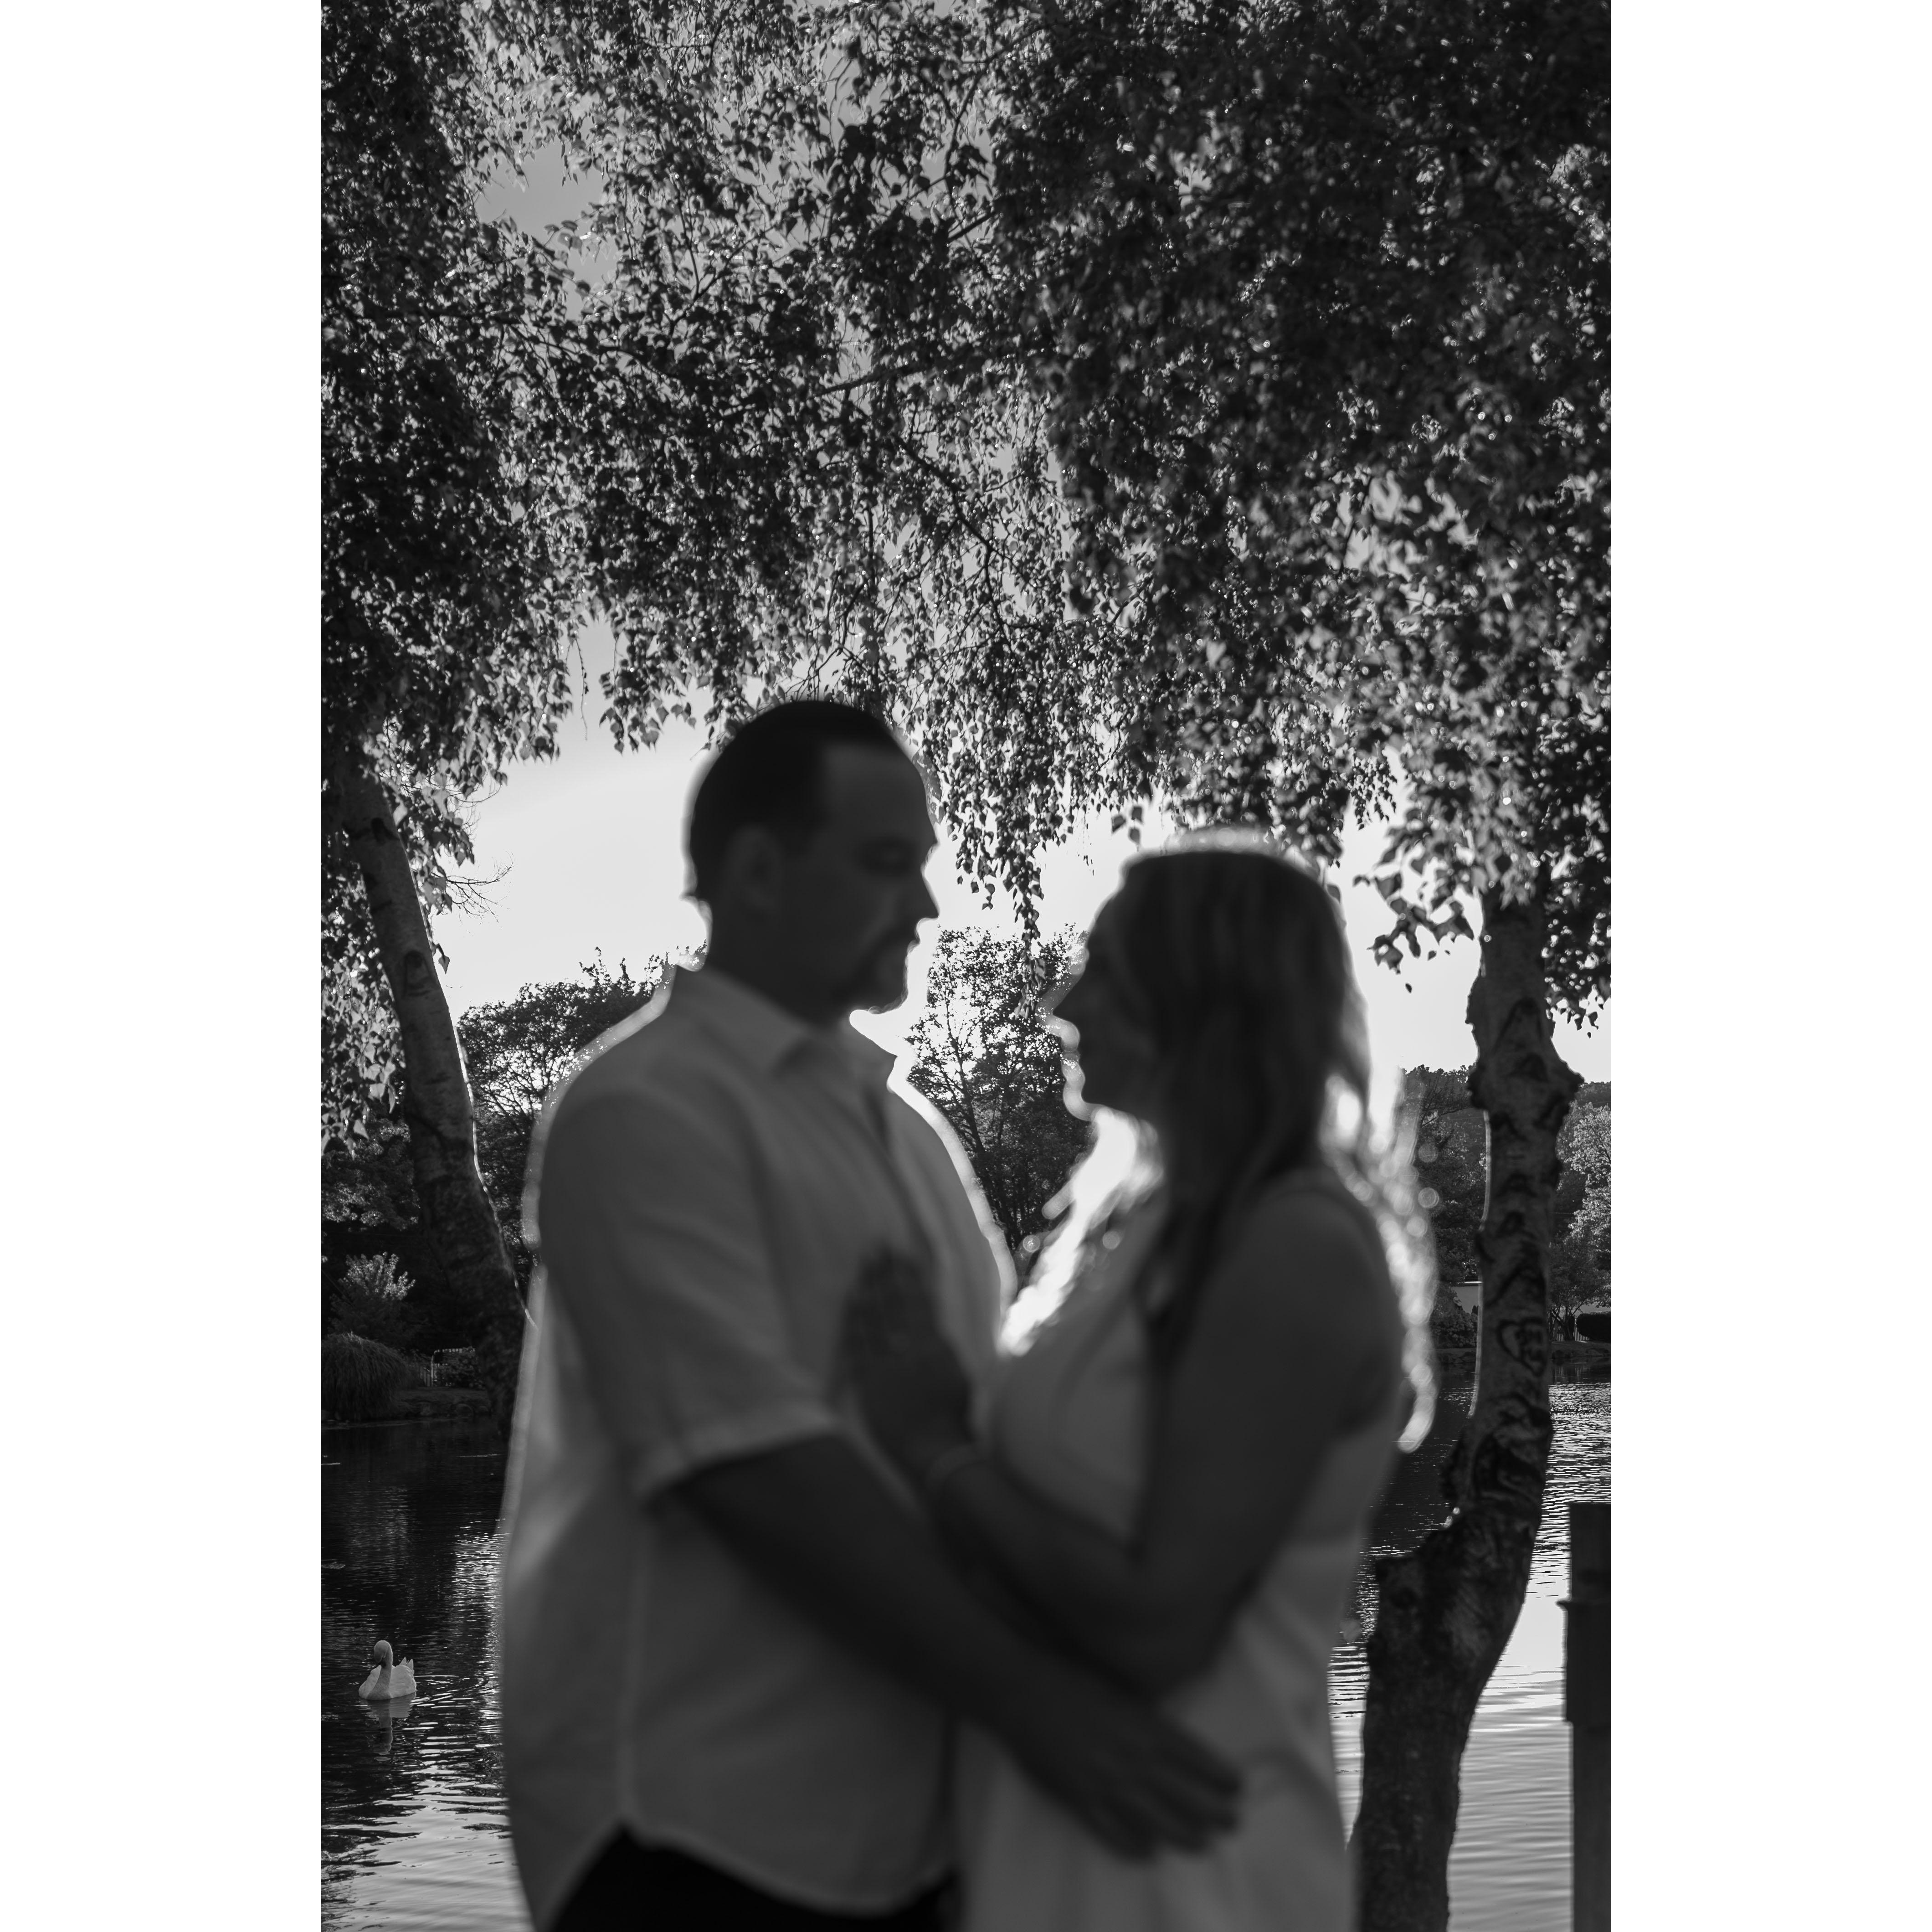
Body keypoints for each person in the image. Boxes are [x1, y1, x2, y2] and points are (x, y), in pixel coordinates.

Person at [498, 701, 1240, 1932]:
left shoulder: (909, 1131)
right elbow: (752, 1471)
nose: (927, 904)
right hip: (695, 1836)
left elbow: (985, 1417)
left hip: (917, 1838)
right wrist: (1043, 1707)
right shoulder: (643, 1108)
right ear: (757, 871)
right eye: (889, 862)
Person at [843, 836, 1434, 1932]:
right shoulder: (1130, 1228)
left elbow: (1158, 1621)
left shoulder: (1294, 1244)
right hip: (1047, 1854)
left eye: (1104, 969)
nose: (1062, 1004)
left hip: (1193, 1873)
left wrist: (932, 1447)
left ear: (1205, 1003)